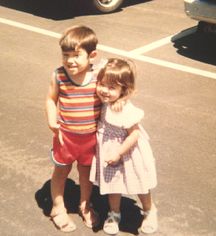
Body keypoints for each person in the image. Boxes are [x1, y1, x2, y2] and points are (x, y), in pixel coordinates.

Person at [90, 58, 158, 235]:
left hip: (128, 153)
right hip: (108, 152)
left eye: (112, 87)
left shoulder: (125, 109)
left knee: (139, 184)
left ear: (124, 90)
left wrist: (119, 152)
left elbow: (134, 134)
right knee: (113, 184)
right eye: (102, 84)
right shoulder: (105, 102)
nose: (105, 90)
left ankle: (149, 211)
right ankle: (114, 214)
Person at [45, 25, 101, 232]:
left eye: (76, 55)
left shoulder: (99, 77)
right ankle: (57, 207)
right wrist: (52, 120)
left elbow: (114, 95)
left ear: (92, 55)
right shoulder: (59, 75)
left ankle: (85, 205)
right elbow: (51, 100)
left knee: (86, 173)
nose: (70, 60)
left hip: (90, 138)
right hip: (65, 137)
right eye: (66, 54)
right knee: (61, 171)